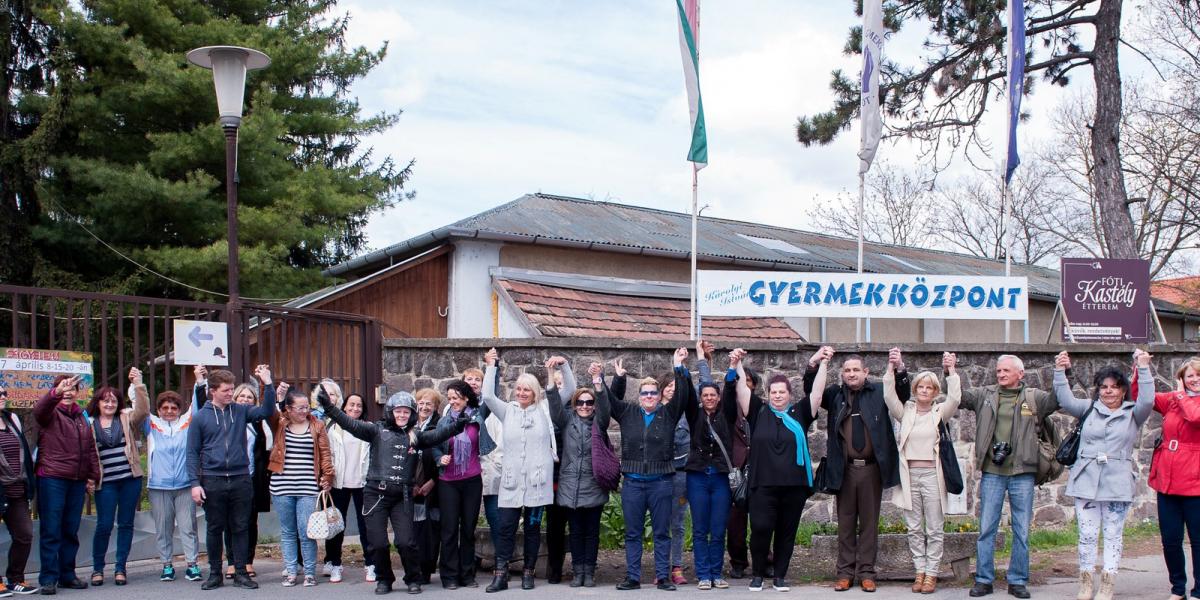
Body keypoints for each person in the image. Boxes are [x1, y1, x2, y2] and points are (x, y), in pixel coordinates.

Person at [317, 389, 469, 595]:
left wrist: (457, 426)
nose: (402, 415)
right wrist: (329, 407)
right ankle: (384, 579)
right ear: (391, 411)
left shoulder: (416, 436)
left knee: (406, 542)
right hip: (375, 495)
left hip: (402, 497)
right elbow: (349, 423)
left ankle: (413, 578)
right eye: (398, 411)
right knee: (378, 543)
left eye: (406, 412)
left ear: (412, 414)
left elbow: (437, 435)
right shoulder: (376, 431)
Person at [804, 347, 909, 593]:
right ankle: (844, 573)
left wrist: (900, 368)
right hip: (845, 469)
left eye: (855, 370)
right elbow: (812, 391)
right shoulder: (835, 395)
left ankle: (867, 573)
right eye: (847, 370)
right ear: (842, 373)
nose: (851, 374)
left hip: (872, 470)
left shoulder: (881, 391)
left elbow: (903, 394)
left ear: (866, 372)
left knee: (870, 524)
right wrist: (814, 363)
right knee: (846, 522)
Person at [958, 354, 1060, 599]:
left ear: (1020, 374)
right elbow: (958, 397)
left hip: (1023, 472)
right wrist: (950, 371)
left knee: (1022, 530)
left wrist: (1061, 371)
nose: (1001, 374)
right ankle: (983, 580)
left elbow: (1057, 400)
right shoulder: (985, 395)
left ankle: (1017, 581)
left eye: (1006, 371)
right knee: (986, 528)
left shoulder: (1033, 398)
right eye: (999, 371)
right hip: (993, 472)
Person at [1053, 350, 1154, 600]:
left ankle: (1108, 583)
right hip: (1086, 480)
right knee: (1086, 535)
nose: (1108, 391)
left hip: (1117, 482)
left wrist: (1143, 368)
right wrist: (1059, 370)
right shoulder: (1088, 408)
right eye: (1103, 387)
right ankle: (1085, 582)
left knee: (1112, 535)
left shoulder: (1133, 412)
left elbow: (1149, 400)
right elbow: (1065, 399)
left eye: (1114, 387)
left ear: (1123, 390)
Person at [735, 349, 820, 592]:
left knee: (786, 533)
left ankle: (780, 576)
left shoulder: (800, 413)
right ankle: (758, 574)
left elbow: (816, 394)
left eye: (782, 392)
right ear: (767, 394)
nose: (778, 395)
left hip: (794, 487)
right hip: (763, 486)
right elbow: (742, 389)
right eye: (774, 392)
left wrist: (823, 363)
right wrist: (738, 364)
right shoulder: (759, 411)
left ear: (789, 394)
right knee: (760, 529)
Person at [187, 365, 277, 591]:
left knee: (240, 527)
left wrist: (267, 383)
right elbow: (191, 452)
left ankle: (240, 573)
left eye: (231, 389)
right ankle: (215, 573)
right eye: (226, 390)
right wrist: (195, 484)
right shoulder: (200, 418)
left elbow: (266, 411)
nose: (231, 394)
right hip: (213, 479)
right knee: (215, 528)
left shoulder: (240, 411)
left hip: (240, 479)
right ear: (213, 391)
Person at [480, 360, 567, 592]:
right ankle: (501, 574)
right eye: (518, 389)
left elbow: (568, 391)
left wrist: (564, 367)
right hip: (511, 483)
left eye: (526, 389)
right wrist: (491, 367)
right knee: (505, 527)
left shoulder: (546, 409)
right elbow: (487, 396)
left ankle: (528, 572)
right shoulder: (507, 410)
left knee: (532, 528)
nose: (521, 393)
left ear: (535, 392)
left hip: (538, 483)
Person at [607, 348, 690, 591]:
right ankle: (633, 577)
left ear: (658, 395)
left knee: (662, 532)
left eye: (654, 392)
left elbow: (683, 395)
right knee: (633, 533)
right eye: (645, 393)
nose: (650, 396)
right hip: (633, 483)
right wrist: (619, 379)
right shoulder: (628, 413)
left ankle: (662, 577)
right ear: (640, 395)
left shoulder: (669, 413)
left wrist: (678, 365)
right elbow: (611, 402)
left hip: (661, 482)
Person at [881, 353, 961, 594]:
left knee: (934, 527)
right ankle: (920, 571)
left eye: (929, 388)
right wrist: (891, 367)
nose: (924, 390)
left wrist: (952, 371)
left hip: (932, 476)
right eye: (921, 387)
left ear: (935, 392)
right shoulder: (906, 411)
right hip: (909, 476)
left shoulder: (940, 412)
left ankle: (932, 574)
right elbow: (888, 395)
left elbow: (955, 398)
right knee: (914, 527)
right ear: (915, 389)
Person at [133, 367, 202, 584]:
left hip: (184, 485)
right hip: (158, 486)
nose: (170, 411)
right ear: (159, 410)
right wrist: (137, 383)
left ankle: (192, 565)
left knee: (188, 527)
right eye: (165, 407)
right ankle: (167, 566)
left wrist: (200, 379)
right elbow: (140, 408)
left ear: (180, 409)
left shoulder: (187, 423)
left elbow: (197, 404)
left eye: (174, 407)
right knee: (163, 528)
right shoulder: (151, 423)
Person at [33, 374, 101, 594]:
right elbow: (39, 410)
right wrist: (56, 392)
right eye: (65, 388)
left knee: (70, 530)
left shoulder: (81, 416)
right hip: (52, 477)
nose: (70, 392)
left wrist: (93, 475)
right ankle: (48, 578)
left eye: (73, 388)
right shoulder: (50, 414)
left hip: (77, 480)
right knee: (51, 530)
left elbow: (90, 448)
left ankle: (67, 575)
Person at [1143, 355, 1200, 600]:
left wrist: (1179, 395)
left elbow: (1195, 417)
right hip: (1167, 479)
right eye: (1190, 376)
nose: (1195, 380)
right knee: (1171, 540)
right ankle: (1178, 588)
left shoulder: (1180, 399)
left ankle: (1199, 590)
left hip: (1195, 480)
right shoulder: (1174, 401)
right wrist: (1142, 370)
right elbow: (1144, 398)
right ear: (1182, 379)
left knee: (1198, 541)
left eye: (1199, 375)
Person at [86, 373, 148, 587]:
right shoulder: (89, 422)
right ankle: (97, 568)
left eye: (114, 400)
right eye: (106, 400)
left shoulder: (125, 417)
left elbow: (143, 410)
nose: (110, 403)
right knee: (103, 525)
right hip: (106, 483)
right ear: (98, 403)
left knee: (126, 524)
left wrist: (138, 384)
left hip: (129, 480)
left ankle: (120, 567)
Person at [269, 388, 334, 587]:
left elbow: (325, 453)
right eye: (300, 407)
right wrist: (269, 386)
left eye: (307, 407)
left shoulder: (317, 425)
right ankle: (290, 571)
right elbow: (268, 411)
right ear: (288, 408)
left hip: (307, 487)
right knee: (288, 532)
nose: (305, 411)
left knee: (307, 531)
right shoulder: (279, 424)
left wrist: (328, 476)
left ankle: (309, 573)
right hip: (281, 486)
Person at [434, 370, 492, 590]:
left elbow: (489, 395)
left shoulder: (477, 417)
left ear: (466, 397)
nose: (453, 402)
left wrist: (492, 366)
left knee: (468, 529)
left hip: (471, 481)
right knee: (449, 530)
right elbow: (434, 448)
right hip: (448, 482)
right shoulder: (444, 422)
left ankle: (467, 575)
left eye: (457, 397)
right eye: (450, 399)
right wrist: (441, 458)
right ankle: (449, 576)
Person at [557, 363, 612, 588]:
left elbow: (606, 409)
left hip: (593, 484)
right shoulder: (566, 420)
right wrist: (554, 374)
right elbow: (553, 404)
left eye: (589, 402)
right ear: (574, 404)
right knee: (576, 532)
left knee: (591, 532)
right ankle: (577, 571)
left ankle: (589, 572)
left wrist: (598, 381)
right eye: (580, 402)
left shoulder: (599, 422)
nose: (585, 406)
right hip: (570, 485)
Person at [679, 340, 727, 590]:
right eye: (705, 395)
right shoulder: (694, 413)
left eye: (713, 395)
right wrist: (685, 366)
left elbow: (726, 384)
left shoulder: (725, 414)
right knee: (700, 529)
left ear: (719, 398)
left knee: (718, 529)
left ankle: (717, 572)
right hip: (697, 476)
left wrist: (730, 367)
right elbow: (689, 388)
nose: (709, 398)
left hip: (719, 477)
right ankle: (704, 574)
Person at [322, 387, 374, 584]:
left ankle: (371, 564)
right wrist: (326, 477)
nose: (355, 408)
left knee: (366, 527)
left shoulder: (368, 427)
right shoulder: (331, 427)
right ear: (343, 407)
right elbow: (326, 454)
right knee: (336, 526)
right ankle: (335, 564)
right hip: (338, 483)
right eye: (351, 404)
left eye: (359, 405)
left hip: (363, 483)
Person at [0, 384, 39, 595]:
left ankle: (16, 578)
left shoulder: (12, 420)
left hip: (17, 489)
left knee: (24, 534)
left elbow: (23, 451)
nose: (2, 396)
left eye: (4, 393)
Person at [724, 366, 760, 580]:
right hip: (736, 472)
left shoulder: (762, 407)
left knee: (761, 522)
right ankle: (738, 562)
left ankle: (765, 561)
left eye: (747, 380)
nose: (743, 383)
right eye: (740, 380)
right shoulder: (728, 408)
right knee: (735, 524)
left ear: (753, 384)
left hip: (758, 471)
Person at [412, 389, 443, 585]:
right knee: (414, 529)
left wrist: (433, 481)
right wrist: (412, 483)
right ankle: (414, 568)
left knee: (431, 530)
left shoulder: (439, 425)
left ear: (435, 407)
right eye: (421, 403)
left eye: (428, 404)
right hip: (412, 487)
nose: (424, 407)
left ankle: (426, 569)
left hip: (433, 486)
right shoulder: (408, 424)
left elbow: (445, 455)